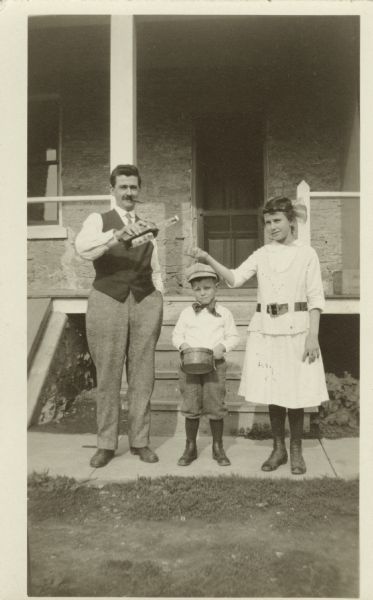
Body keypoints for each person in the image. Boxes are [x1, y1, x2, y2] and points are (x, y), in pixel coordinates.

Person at [188, 196, 329, 475]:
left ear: (291, 221)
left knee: (296, 392)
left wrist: (313, 335)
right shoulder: (262, 254)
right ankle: (279, 449)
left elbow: (315, 299)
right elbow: (234, 278)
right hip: (266, 328)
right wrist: (207, 258)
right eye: (267, 222)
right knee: (274, 390)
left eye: (277, 221)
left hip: (298, 329)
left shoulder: (306, 253)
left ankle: (297, 450)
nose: (272, 227)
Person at [75, 164, 164, 467]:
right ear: (112, 189)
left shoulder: (146, 224)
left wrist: (157, 295)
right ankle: (106, 444)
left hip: (144, 299)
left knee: (143, 374)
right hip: (107, 298)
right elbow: (84, 249)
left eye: (133, 187)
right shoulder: (98, 220)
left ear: (139, 190)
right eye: (123, 187)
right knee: (108, 373)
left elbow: (156, 266)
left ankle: (140, 441)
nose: (129, 192)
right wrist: (115, 236)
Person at [172, 262, 240, 466]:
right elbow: (176, 335)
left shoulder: (224, 313)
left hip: (215, 366)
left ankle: (217, 447)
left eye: (207, 288)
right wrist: (182, 345)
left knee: (215, 405)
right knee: (191, 404)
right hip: (189, 366)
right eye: (197, 289)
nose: (202, 293)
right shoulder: (187, 313)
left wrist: (223, 347)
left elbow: (234, 336)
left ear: (216, 288)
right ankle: (190, 447)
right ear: (193, 291)